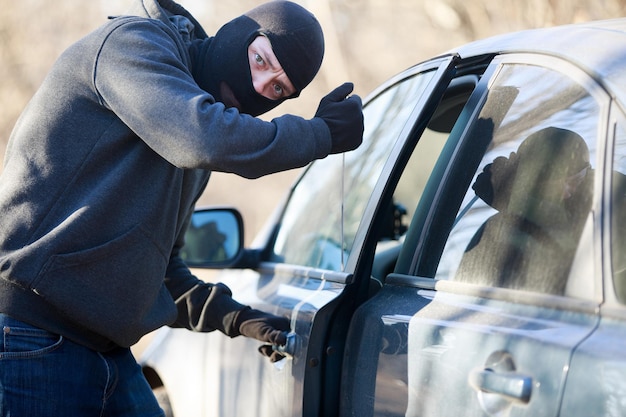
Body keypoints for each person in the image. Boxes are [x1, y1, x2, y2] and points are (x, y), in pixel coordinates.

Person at [0, 0, 364, 415]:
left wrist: (236, 317)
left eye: (279, 89)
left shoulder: (196, 136)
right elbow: (203, 138)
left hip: (108, 353)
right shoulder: (134, 45)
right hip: (31, 334)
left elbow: (160, 271)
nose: (261, 87)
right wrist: (319, 136)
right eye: (260, 60)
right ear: (234, 34)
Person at [456, 127, 592, 294]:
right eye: (555, 183)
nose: (567, 191)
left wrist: (514, 198)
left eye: (576, 181)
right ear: (534, 184)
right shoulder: (497, 234)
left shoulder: (597, 214)